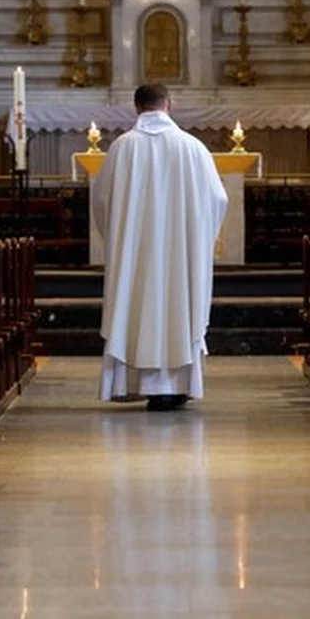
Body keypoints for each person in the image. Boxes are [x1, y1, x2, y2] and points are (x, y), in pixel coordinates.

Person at [92, 84, 229, 410]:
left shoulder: (122, 148)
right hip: (181, 256)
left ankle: (132, 383)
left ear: (136, 107)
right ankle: (179, 385)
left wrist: (120, 239)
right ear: (169, 104)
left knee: (135, 303)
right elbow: (218, 199)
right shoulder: (193, 147)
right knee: (179, 307)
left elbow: (101, 202)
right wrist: (199, 236)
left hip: (135, 255)